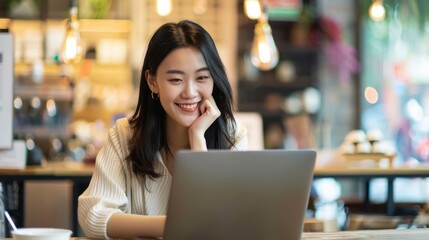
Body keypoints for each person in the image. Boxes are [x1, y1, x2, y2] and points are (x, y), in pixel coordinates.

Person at [78, 20, 248, 239]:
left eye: (202, 78)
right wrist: (170, 226)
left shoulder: (232, 135)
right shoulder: (125, 134)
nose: (190, 92)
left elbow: (223, 225)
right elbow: (92, 216)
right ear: (152, 81)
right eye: (176, 79)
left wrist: (198, 140)